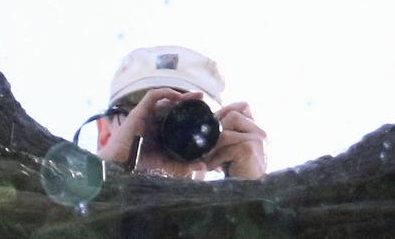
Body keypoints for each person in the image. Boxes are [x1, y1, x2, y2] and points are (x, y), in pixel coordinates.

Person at [95, 45, 267, 180]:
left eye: (188, 122)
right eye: (141, 113)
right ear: (104, 133)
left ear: (217, 137)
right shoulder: (81, 200)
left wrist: (250, 192)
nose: (167, 130)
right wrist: (104, 176)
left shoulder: (228, 212)